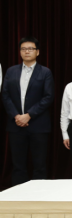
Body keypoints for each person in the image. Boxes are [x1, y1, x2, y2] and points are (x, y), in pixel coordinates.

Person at [1, 37, 54, 186]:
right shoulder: (11, 71)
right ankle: (18, 196)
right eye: (24, 49)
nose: (27, 51)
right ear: (20, 52)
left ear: (37, 52)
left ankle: (39, 195)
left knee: (39, 166)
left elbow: (48, 97)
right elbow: (5, 95)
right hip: (16, 124)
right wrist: (16, 116)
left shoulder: (45, 72)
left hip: (38, 125)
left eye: (31, 49)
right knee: (18, 166)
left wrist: (29, 115)